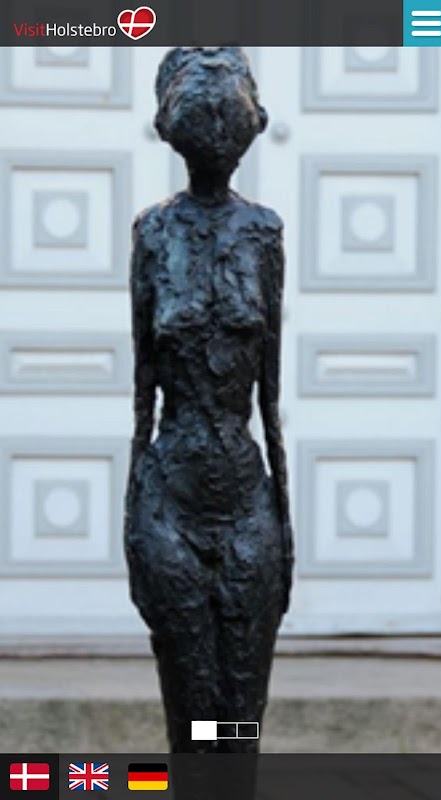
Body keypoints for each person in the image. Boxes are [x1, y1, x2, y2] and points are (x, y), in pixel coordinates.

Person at [124, 46, 294, 754]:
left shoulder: (264, 232)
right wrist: (133, 524)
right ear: (166, 127)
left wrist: (285, 528)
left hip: (246, 498)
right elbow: (143, 397)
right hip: (171, 496)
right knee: (193, 710)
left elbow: (271, 396)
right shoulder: (153, 232)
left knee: (239, 716)